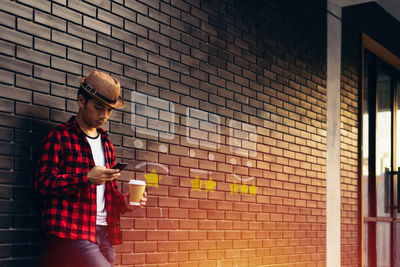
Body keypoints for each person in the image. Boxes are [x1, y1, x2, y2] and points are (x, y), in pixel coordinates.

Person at [35, 70, 147, 267]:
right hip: (72, 231)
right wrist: (85, 178)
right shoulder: (60, 137)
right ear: (81, 101)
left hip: (104, 232)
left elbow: (107, 194)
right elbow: (43, 183)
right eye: (98, 108)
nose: (104, 116)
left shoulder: (106, 144)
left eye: (109, 111)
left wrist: (126, 203)